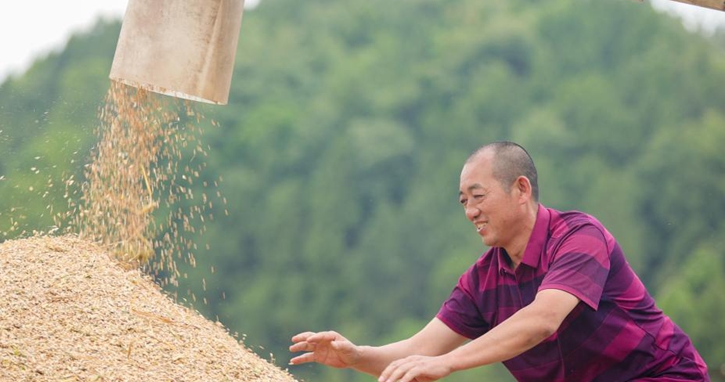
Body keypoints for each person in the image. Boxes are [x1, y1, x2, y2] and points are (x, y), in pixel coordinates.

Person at [289, 141, 709, 381]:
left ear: (521, 189)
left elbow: (541, 321)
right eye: (462, 202)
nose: (470, 210)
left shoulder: (580, 237)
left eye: (478, 196)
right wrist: (356, 355)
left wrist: (448, 363)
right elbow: (420, 349)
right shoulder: (480, 283)